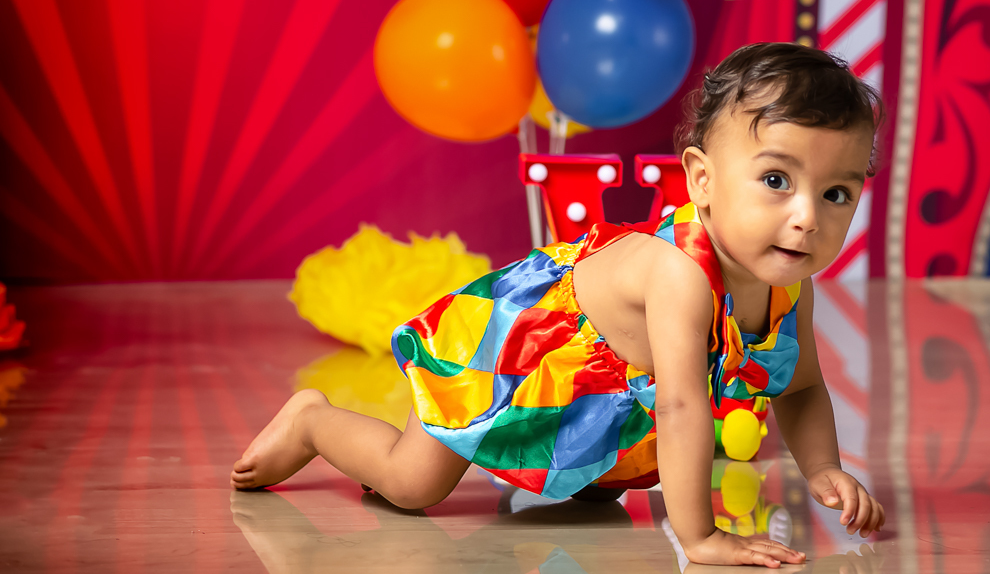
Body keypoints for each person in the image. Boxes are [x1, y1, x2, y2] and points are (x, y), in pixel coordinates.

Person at [231, 42, 887, 568]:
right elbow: (684, 405)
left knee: (589, 506)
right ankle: (314, 422)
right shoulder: (681, 277)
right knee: (412, 483)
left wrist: (825, 468)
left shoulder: (785, 285)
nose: (806, 218)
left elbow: (799, 386)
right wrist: (701, 537)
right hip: (525, 339)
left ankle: (571, 465)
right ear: (701, 181)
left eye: (836, 193)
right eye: (776, 180)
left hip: (603, 383)